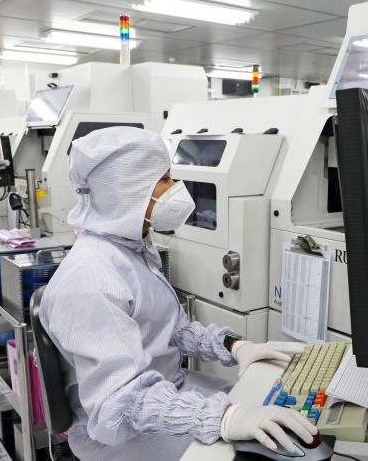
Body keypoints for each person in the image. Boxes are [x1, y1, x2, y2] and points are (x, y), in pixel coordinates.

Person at [40, 127, 318, 461]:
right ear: (129, 190)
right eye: (166, 179)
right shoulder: (91, 280)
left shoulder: (132, 249)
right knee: (261, 451)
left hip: (166, 393)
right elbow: (118, 406)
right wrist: (223, 418)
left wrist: (235, 346)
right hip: (120, 434)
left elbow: (170, 329)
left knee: (274, 410)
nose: (176, 189)